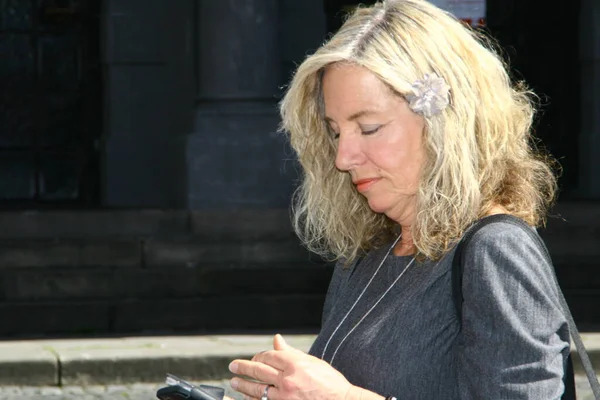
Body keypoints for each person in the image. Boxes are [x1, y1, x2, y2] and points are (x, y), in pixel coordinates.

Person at [226, 0, 571, 398]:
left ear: (445, 125)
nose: (343, 158)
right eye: (335, 132)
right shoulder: (370, 251)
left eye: (369, 128)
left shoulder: (496, 251)